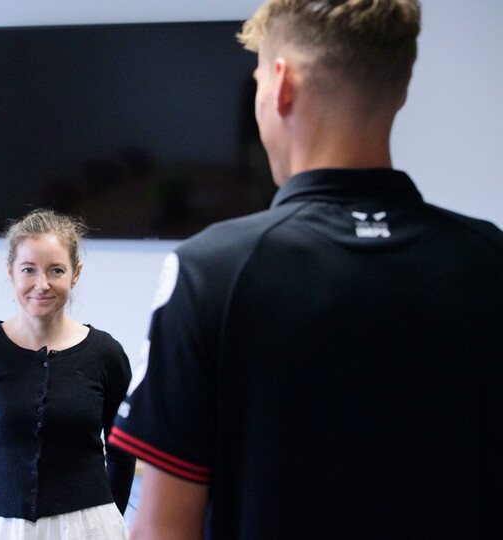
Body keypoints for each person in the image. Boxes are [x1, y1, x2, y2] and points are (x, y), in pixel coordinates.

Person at [110, 1, 503, 538]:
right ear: (401, 90)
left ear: (280, 84)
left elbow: (162, 529)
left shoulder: (209, 273)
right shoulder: (488, 258)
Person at [0, 209, 136, 540]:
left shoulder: (106, 354)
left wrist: (107, 518)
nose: (41, 284)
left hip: (89, 529)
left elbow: (123, 453)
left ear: (75, 273)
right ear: (11, 271)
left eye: (56, 270)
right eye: (29, 269)